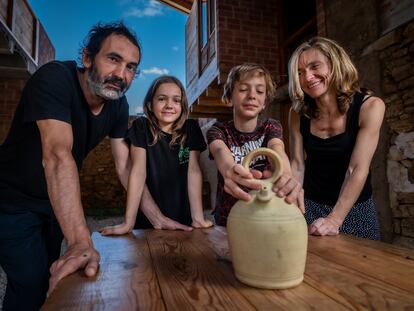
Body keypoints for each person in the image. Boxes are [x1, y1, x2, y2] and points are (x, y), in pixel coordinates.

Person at [0, 22, 141, 310]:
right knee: (30, 284)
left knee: (55, 275)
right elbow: (57, 155)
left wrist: (157, 216)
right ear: (88, 57)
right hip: (10, 201)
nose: (121, 75)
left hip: (52, 203)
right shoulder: (54, 78)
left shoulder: (118, 105)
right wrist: (80, 241)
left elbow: (125, 166)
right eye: (113, 59)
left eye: (130, 67)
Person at [288, 37, 385, 240]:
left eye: (315, 67)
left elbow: (356, 169)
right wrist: (294, 205)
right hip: (310, 205)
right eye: (300, 73)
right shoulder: (297, 113)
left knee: (363, 269)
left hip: (354, 208)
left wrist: (334, 220)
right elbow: (297, 165)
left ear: (335, 64)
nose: (307, 77)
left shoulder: (370, 107)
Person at [100, 76, 212, 236]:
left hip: (183, 220)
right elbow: (138, 172)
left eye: (176, 100)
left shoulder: (190, 128)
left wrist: (198, 217)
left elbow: (193, 171)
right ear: (149, 105)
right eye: (161, 99)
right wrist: (128, 223)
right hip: (147, 223)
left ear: (183, 105)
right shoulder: (141, 127)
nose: (169, 105)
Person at [207, 63, 304, 226]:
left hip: (264, 216)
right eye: (244, 89)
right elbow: (219, 151)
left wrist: (286, 174)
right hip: (228, 218)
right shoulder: (218, 130)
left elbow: (277, 149)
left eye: (259, 91)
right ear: (230, 98)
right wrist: (229, 169)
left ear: (265, 102)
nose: (252, 95)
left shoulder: (271, 127)